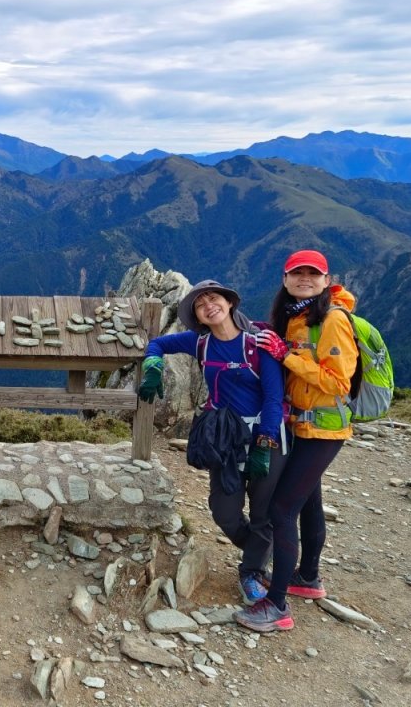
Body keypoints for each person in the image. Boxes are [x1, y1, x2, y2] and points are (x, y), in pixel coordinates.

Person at [138, 280, 286, 604]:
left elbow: (275, 398)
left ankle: (251, 573)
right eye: (200, 304)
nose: (208, 305)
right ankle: (264, 552)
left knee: (263, 513)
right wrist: (152, 368)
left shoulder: (258, 344)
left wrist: (264, 442)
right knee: (224, 511)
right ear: (199, 318)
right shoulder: (200, 343)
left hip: (266, 437)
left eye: (214, 298)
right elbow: (158, 344)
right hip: (226, 441)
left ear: (229, 303)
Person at [234, 249, 359, 632]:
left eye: (313, 274)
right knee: (309, 502)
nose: (304, 278)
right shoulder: (295, 318)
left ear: (326, 279)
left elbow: (337, 383)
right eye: (296, 273)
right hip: (302, 428)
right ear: (286, 279)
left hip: (323, 430)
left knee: (282, 511)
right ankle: (307, 578)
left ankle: (276, 606)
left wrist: (287, 355)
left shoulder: (333, 320)